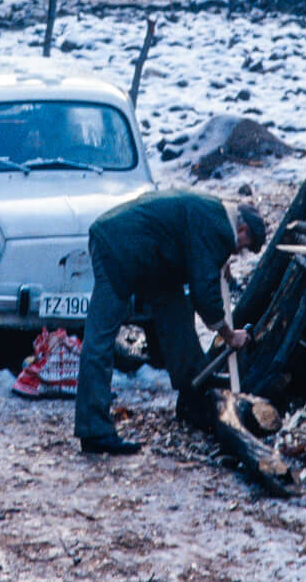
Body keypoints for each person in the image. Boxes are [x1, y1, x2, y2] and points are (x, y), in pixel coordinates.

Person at [73, 190, 266, 455]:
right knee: (99, 341)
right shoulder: (218, 227)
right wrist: (229, 335)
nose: (239, 251)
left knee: (177, 320)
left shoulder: (214, 214)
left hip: (154, 258)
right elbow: (204, 294)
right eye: (244, 246)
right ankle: (94, 431)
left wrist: (217, 263)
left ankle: (193, 400)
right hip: (118, 246)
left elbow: (198, 260)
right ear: (242, 228)